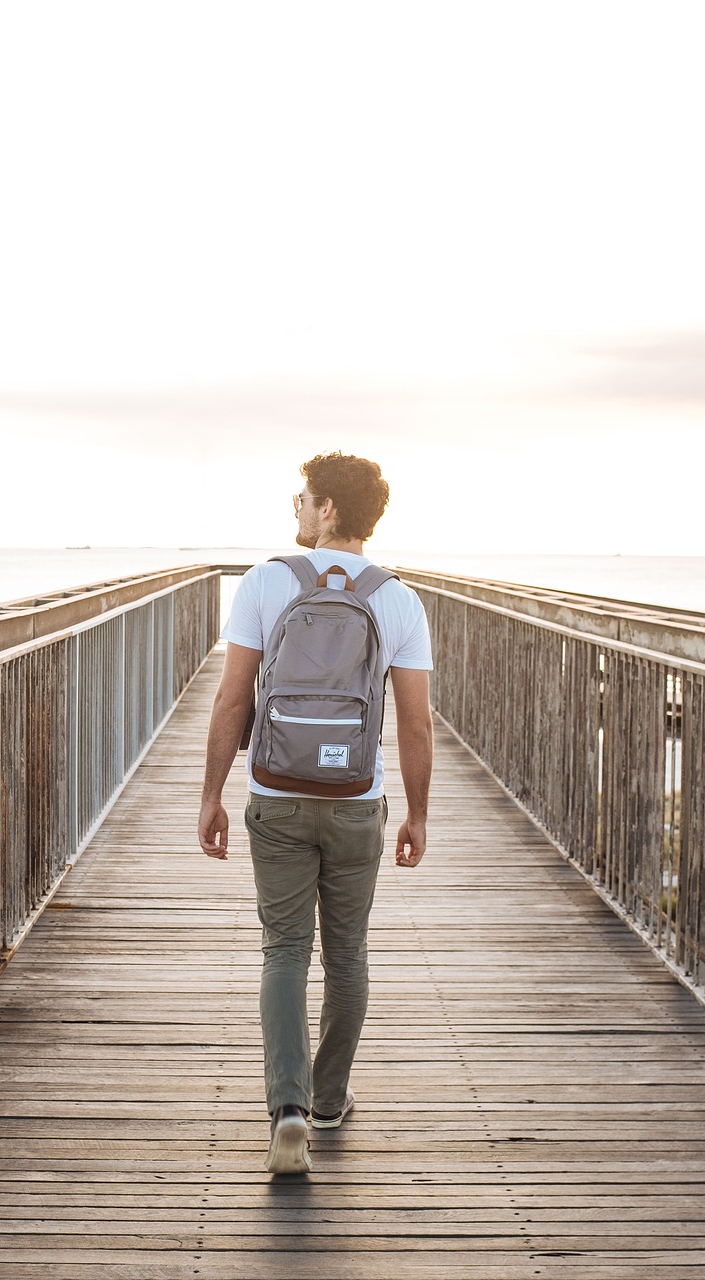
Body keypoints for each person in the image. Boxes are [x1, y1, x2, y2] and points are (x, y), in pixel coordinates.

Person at [197, 452, 433, 1175]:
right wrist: (416, 816)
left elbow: (233, 698)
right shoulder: (398, 599)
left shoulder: (266, 583)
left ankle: (288, 1108)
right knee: (349, 951)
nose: (294, 508)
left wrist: (211, 795)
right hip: (357, 800)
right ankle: (330, 1100)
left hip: (276, 793)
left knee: (284, 950)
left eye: (302, 498)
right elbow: (416, 724)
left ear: (329, 508)